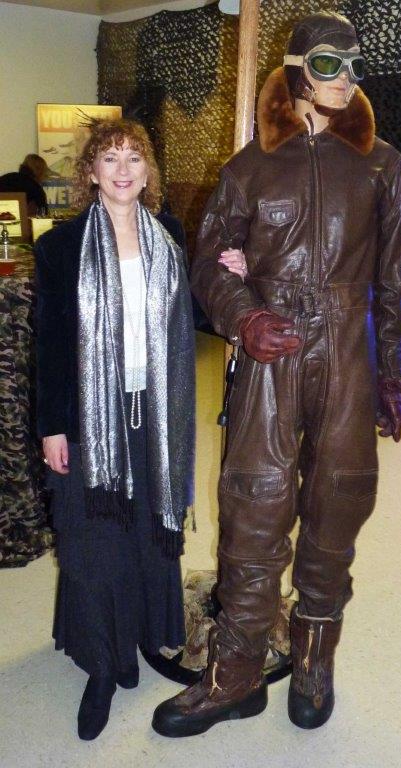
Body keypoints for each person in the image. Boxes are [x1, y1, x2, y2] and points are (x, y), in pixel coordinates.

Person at [152, 11, 401, 737]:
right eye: (330, 65)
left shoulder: (381, 164)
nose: (346, 81)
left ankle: (313, 658)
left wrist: (391, 373)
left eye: (353, 67)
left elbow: (394, 279)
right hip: (271, 354)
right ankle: (234, 672)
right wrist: (242, 315)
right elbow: (205, 260)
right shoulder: (248, 167)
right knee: (253, 505)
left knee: (337, 503)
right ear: (297, 68)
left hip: (347, 351)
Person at [35, 118, 195, 741]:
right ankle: (102, 664)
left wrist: (227, 268)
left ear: (147, 170)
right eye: (110, 158)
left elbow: (194, 318)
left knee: (150, 532)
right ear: (92, 173)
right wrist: (52, 427)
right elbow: (49, 345)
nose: (123, 169)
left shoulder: (171, 238)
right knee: (93, 541)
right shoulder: (60, 246)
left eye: (134, 157)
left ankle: (150, 639)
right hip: (87, 420)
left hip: (156, 415)